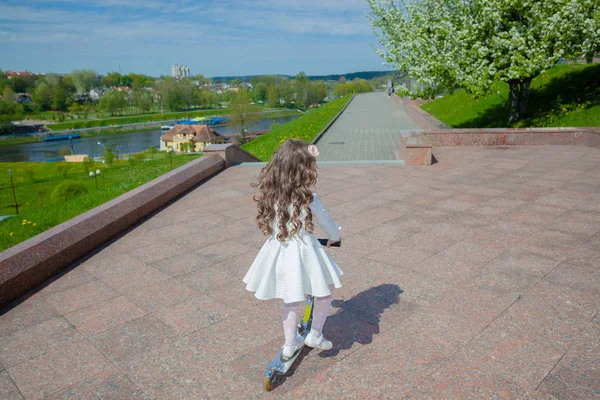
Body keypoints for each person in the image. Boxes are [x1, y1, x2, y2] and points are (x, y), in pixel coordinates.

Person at [244, 140, 343, 358]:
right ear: (304, 169)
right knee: (325, 291)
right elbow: (327, 224)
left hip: (279, 248)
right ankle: (315, 334)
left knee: (291, 299)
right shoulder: (308, 198)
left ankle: (290, 344)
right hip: (305, 250)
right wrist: (335, 237)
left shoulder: (271, 194)